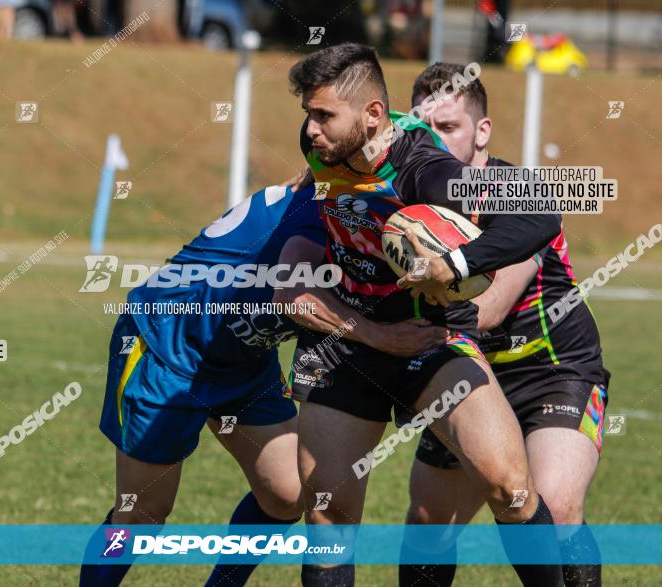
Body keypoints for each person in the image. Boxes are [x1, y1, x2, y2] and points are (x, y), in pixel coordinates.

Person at [283, 43, 564, 586]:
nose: (312, 130)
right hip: (345, 343)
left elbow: (541, 211)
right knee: (328, 515)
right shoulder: (320, 146)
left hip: (430, 337)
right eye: (308, 116)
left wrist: (452, 264)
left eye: (324, 117)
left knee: (511, 488)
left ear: (372, 116)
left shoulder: (426, 170)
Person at [79, 184, 446, 587]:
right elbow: (296, 295)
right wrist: (381, 336)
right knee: (142, 513)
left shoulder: (374, 205)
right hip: (169, 346)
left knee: (287, 493)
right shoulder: (325, 204)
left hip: (245, 359)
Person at [399, 62, 609, 587]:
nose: (434, 144)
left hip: (553, 369)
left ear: (482, 131)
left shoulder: (517, 195)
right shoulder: (411, 204)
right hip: (470, 376)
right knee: (428, 524)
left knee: (555, 509)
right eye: (424, 130)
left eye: (448, 129)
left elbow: (487, 308)